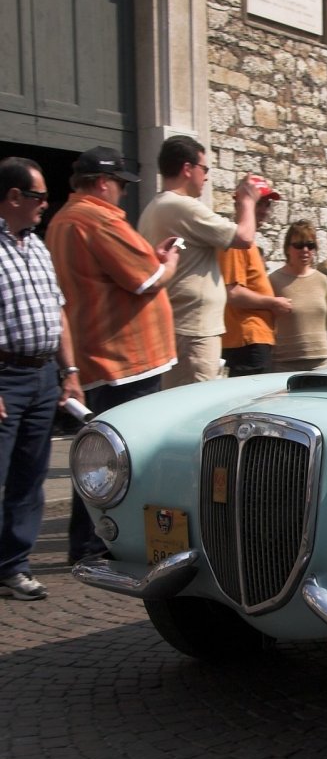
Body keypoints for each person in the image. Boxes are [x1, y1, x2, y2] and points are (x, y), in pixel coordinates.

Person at [45, 146, 182, 563]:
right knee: (121, 457)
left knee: (98, 456)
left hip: (100, 356)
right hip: (124, 360)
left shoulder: (63, 221)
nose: (122, 194)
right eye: (120, 185)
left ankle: (87, 542)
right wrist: (169, 261)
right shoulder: (99, 219)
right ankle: (101, 542)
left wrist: (150, 259)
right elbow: (147, 280)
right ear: (103, 183)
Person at [0, 156, 84, 599]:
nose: (45, 205)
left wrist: (68, 371)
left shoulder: (36, 245)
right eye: (38, 197)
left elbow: (57, 311)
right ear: (13, 197)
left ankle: (13, 565)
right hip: (4, 376)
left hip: (41, 377)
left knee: (30, 478)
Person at [138, 134, 260, 387]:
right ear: (187, 168)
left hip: (181, 326)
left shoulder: (155, 206)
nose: (206, 177)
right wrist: (248, 202)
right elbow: (244, 237)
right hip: (193, 329)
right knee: (195, 409)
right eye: (204, 169)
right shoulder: (182, 206)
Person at [219, 176, 292, 377]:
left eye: (267, 205)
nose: (265, 211)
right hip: (248, 340)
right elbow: (233, 293)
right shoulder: (236, 242)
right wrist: (273, 303)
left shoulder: (246, 243)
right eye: (260, 203)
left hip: (253, 339)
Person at [269, 221, 327, 372]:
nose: (305, 250)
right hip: (285, 362)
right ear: (287, 248)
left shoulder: (322, 280)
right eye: (298, 245)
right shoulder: (274, 281)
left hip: (320, 361)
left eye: (310, 245)